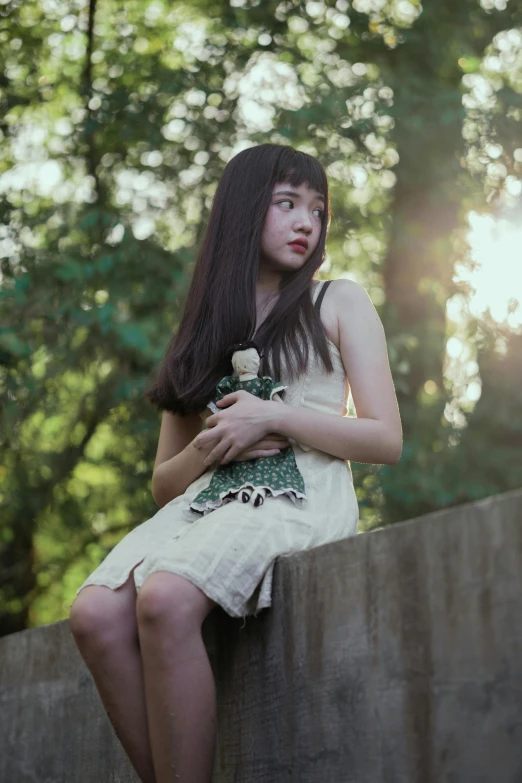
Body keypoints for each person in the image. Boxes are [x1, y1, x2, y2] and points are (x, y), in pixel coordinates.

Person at [68, 143, 403, 783]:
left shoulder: (338, 301)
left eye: (317, 208)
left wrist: (274, 417)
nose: (307, 221)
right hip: (203, 506)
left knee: (164, 600)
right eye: (287, 204)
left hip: (299, 496)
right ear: (245, 211)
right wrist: (215, 442)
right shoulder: (203, 329)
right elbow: (166, 484)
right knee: (93, 614)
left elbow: (385, 438)